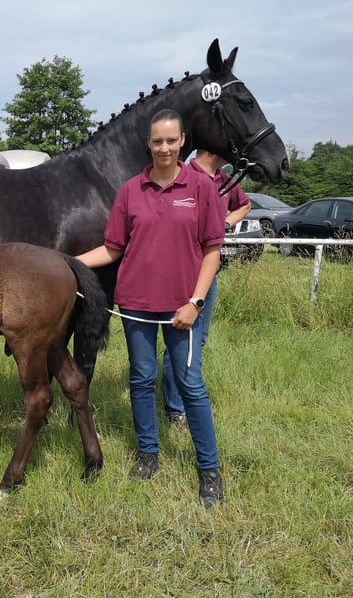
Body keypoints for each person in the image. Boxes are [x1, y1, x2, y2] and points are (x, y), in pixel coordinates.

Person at [76, 109, 225, 507]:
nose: (164, 148)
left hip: (182, 308)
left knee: (190, 384)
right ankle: (148, 453)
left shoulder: (202, 187)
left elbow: (212, 251)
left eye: (171, 141)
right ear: (148, 143)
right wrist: (68, 264)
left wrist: (195, 302)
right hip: (136, 305)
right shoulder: (130, 190)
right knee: (141, 380)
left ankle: (209, 469)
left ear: (182, 141)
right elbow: (112, 249)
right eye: (157, 141)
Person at [161, 149, 252, 427]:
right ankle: (175, 408)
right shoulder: (183, 176)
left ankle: (184, 399)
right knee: (179, 336)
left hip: (208, 272)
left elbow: (244, 204)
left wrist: (223, 224)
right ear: (211, 149)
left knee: (198, 339)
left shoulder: (224, 180)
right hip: (182, 270)